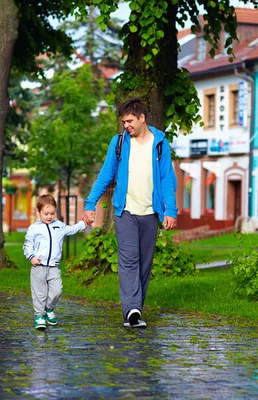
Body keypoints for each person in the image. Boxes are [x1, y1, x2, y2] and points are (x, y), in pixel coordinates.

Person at [82, 98, 178, 329]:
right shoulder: (119, 143)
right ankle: (131, 309)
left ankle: (136, 310)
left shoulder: (160, 144)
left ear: (142, 118)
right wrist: (90, 203)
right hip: (125, 212)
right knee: (129, 261)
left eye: (130, 121)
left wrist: (170, 210)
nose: (126, 125)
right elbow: (106, 175)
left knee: (145, 264)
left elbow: (167, 179)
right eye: (124, 121)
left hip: (150, 213)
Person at [23, 194, 89, 330]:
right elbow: (27, 245)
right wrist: (31, 257)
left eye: (52, 213)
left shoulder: (59, 226)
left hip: (54, 267)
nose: (49, 216)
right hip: (39, 266)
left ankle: (49, 308)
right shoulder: (34, 229)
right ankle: (39, 316)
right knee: (39, 293)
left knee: (57, 291)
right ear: (38, 212)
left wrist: (84, 223)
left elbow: (72, 230)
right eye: (46, 213)